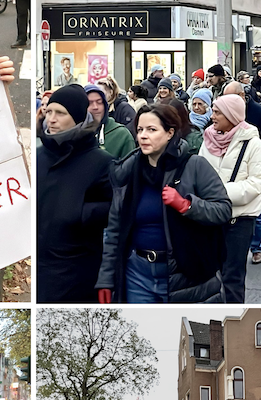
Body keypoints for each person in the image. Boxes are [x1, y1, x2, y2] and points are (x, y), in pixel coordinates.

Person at [95, 101, 232, 303]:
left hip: (185, 273)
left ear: (170, 133)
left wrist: (187, 205)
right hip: (137, 274)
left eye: (151, 130)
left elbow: (223, 210)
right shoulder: (128, 172)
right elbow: (114, 230)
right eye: (140, 130)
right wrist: (106, 278)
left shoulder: (194, 165)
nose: (143, 136)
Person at [37, 84, 116, 302]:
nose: (51, 119)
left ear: (78, 118)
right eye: (49, 111)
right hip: (41, 267)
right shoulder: (39, 156)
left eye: (61, 113)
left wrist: (79, 212)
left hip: (78, 270)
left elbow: (117, 208)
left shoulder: (101, 162)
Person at [196, 93, 261, 302]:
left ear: (231, 115)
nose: (212, 116)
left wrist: (219, 193)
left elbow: (257, 183)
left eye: (217, 112)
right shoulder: (208, 139)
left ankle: (233, 315)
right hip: (210, 218)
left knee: (232, 277)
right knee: (209, 274)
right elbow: (198, 173)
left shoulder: (253, 144)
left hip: (239, 221)